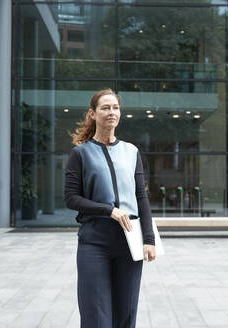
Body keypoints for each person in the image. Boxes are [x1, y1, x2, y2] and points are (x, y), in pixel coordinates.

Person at [64, 88, 156, 328]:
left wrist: (149, 239)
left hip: (129, 240)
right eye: (105, 108)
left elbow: (141, 197)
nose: (111, 112)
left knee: (125, 313)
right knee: (96, 315)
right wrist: (109, 210)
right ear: (93, 114)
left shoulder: (131, 151)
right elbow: (72, 198)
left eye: (115, 108)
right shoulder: (80, 153)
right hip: (94, 241)